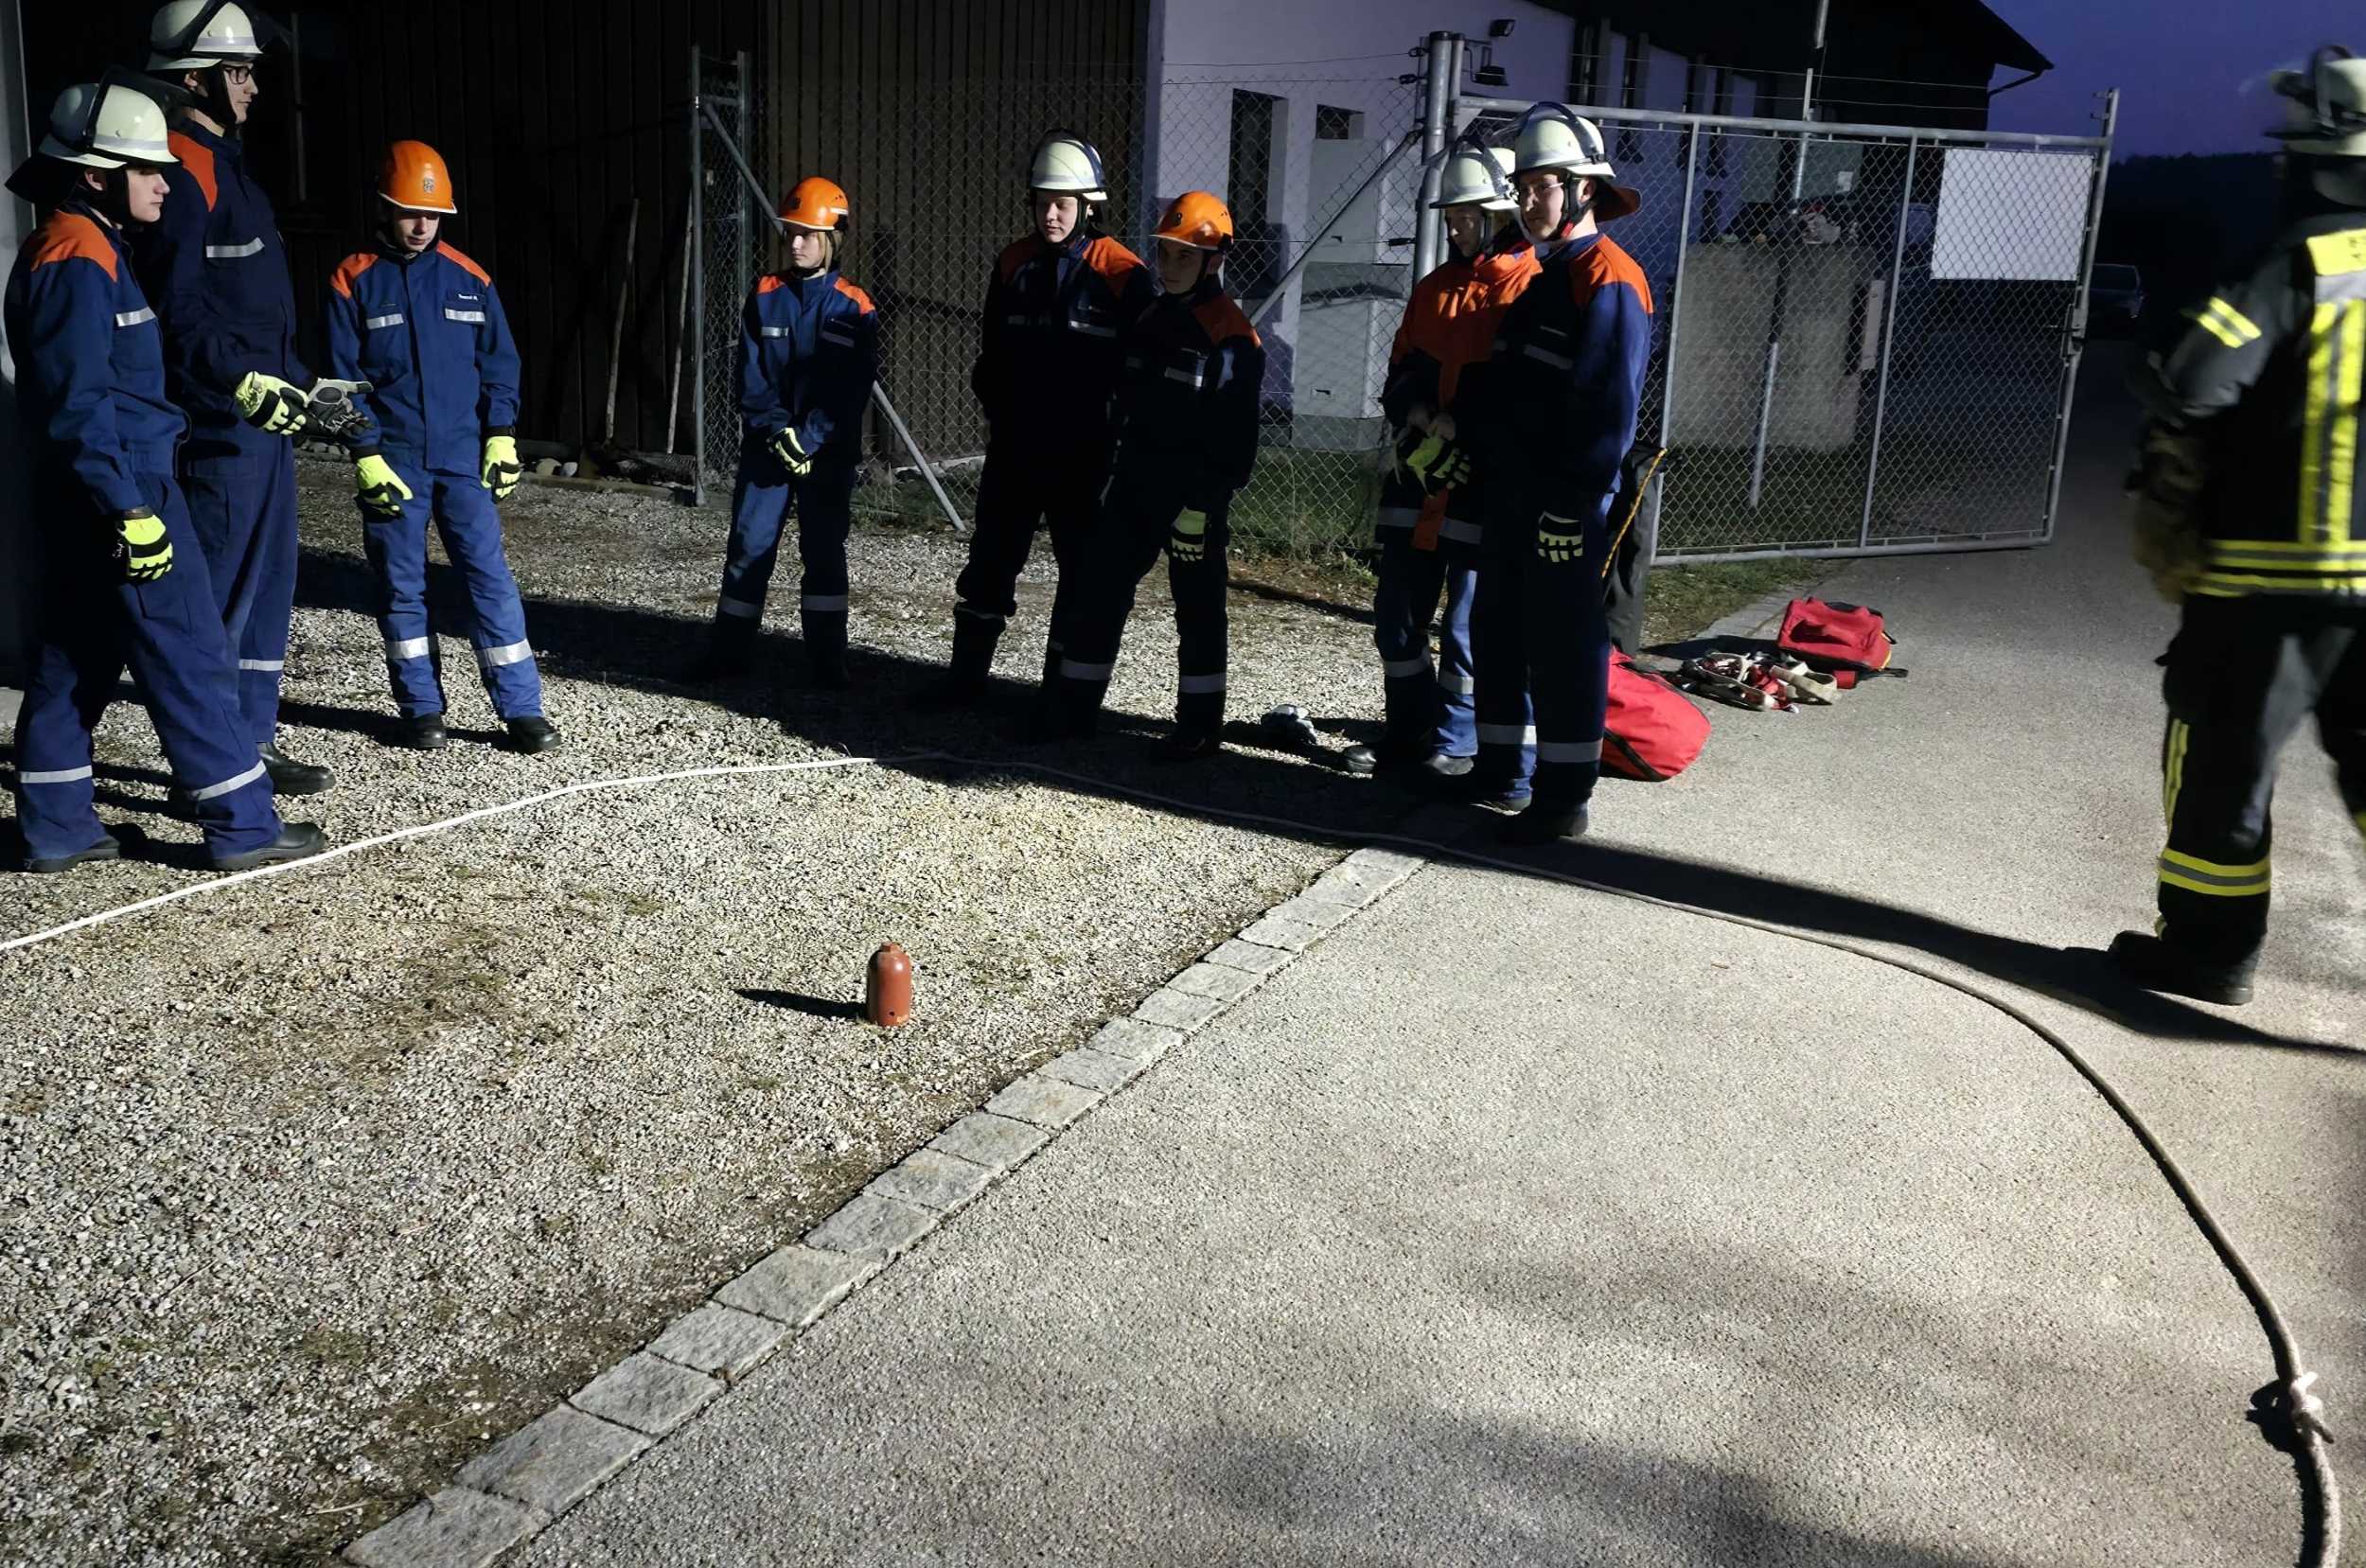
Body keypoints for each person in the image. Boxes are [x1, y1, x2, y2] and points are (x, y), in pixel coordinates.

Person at [6, 73, 321, 872]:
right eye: (145, 168)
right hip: (125, 485)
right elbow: (79, 404)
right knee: (190, 650)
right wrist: (130, 508)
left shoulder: (85, 246)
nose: (163, 182)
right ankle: (243, 825)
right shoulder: (77, 257)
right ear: (94, 175)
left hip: (98, 485)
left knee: (75, 652)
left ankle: (57, 825)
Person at [2110, 44, 2366, 1008]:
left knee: (2221, 762)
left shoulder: (2297, 261)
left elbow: (2191, 379)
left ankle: (2208, 952)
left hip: (2270, 576)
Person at [134, 0, 332, 795]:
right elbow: (176, 307)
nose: (252, 87)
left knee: (267, 585)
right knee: (217, 597)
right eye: (240, 72)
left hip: (261, 417)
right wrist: (237, 380)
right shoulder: (184, 171)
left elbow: (247, 303)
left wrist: (302, 379)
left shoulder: (229, 162)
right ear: (196, 79)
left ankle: (249, 741)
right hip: (221, 423)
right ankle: (210, 768)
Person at [1448, 106, 1651, 842]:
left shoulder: (1608, 278)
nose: (1530, 201)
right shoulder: (1545, 277)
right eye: (1524, 187)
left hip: (1561, 507)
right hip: (1511, 495)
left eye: (1544, 187)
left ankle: (1563, 797)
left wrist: (1571, 505)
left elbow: (1607, 411)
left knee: (1564, 649)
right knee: (1499, 633)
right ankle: (1501, 772)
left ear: (1584, 189)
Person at [323, 141, 557, 754]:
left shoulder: (470, 279)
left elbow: (501, 366)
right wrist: (364, 451)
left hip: (462, 458)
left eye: (432, 214)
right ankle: (422, 708)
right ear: (383, 206)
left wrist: (500, 435)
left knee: (489, 579)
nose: (422, 225)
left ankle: (522, 710)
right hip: (392, 459)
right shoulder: (352, 279)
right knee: (401, 586)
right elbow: (338, 378)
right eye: (410, 213)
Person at [919, 130, 1151, 706]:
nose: (1050, 214)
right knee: (990, 561)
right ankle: (965, 682)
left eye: (1062, 203)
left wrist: (1115, 443)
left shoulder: (1123, 274)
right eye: (1042, 201)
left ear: (1089, 206)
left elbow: (1138, 374)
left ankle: (1059, 700)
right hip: (1017, 446)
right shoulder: (1013, 263)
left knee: (1080, 572)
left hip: (1084, 454)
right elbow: (991, 357)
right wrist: (1003, 414)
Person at [1042, 191, 1263, 758]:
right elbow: (1124, 403)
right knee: (1100, 589)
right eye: (1165, 252)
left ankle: (1199, 728)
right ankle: (1074, 712)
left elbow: (1235, 440)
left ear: (1214, 260)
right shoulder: (1150, 317)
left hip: (1192, 497)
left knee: (1198, 607)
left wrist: (1202, 506)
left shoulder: (1232, 335)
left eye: (1185, 255)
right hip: (1136, 484)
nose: (1170, 265)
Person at [1361, 142, 1539, 781]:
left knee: (1467, 626)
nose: (1456, 228)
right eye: (1453, 217)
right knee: (1396, 617)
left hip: (1480, 488)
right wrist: (1417, 414)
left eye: (1467, 217)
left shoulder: (1530, 287)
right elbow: (1400, 372)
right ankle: (1408, 732)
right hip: (1417, 480)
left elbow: (1522, 395)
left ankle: (1457, 742)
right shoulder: (1434, 290)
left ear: (1501, 214)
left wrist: (1463, 427)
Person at [684, 175, 879, 689]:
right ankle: (729, 655)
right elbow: (750, 379)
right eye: (790, 232)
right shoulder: (765, 294)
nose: (794, 243)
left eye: (806, 234)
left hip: (826, 453)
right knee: (749, 545)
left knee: (823, 551)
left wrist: (808, 437)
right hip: (768, 448)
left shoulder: (855, 306)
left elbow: (851, 390)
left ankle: (827, 663)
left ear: (832, 239)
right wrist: (777, 433)